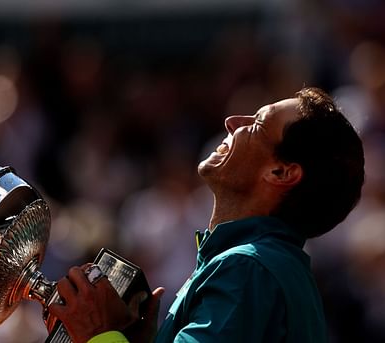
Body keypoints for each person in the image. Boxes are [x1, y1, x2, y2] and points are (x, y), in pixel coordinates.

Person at [47, 87, 365, 343]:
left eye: (256, 124)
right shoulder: (264, 266)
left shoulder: (248, 268)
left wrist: (99, 334)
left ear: (281, 172)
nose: (232, 121)